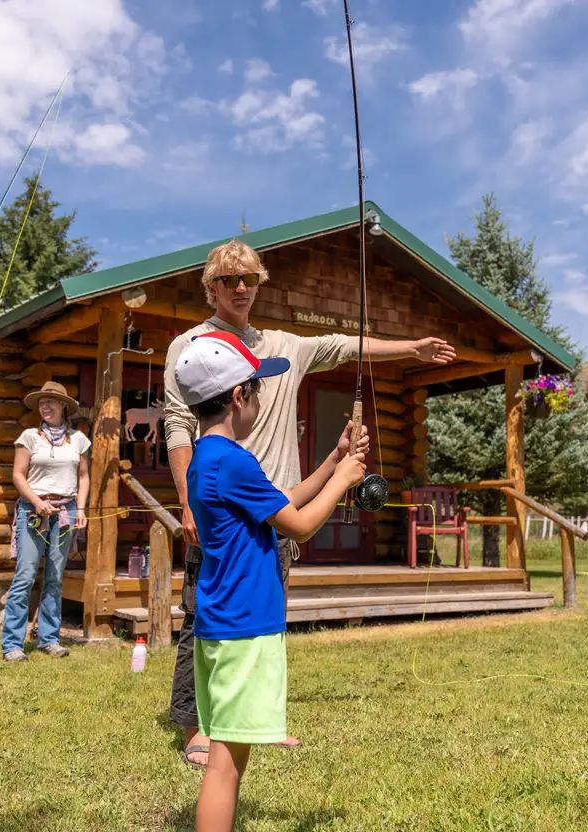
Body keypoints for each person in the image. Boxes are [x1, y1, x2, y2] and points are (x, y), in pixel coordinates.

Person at [163, 239, 457, 769]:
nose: (241, 288)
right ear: (211, 287)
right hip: (221, 507)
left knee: (264, 616)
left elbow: (346, 345)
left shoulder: (283, 344)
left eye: (249, 278)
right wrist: (187, 502)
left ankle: (254, 720)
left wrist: (410, 348)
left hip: (280, 503)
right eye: (229, 280)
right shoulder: (190, 346)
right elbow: (178, 426)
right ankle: (194, 726)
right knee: (202, 616)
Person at [176, 330, 366, 832]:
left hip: (223, 622)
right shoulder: (234, 461)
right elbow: (300, 525)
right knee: (226, 765)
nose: (261, 398)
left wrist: (332, 459)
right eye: (257, 389)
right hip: (244, 627)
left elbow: (281, 501)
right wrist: (346, 479)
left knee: (228, 755)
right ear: (239, 397)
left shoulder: (207, 458)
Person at [1, 381, 91, 661]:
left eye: (51, 401)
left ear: (64, 406)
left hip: (65, 512)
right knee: (25, 575)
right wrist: (38, 502)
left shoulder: (79, 440)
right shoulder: (28, 437)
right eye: (42, 402)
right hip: (33, 510)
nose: (46, 406)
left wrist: (82, 508)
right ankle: (12, 644)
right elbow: (18, 475)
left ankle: (48, 638)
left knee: (54, 576)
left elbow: (84, 477)